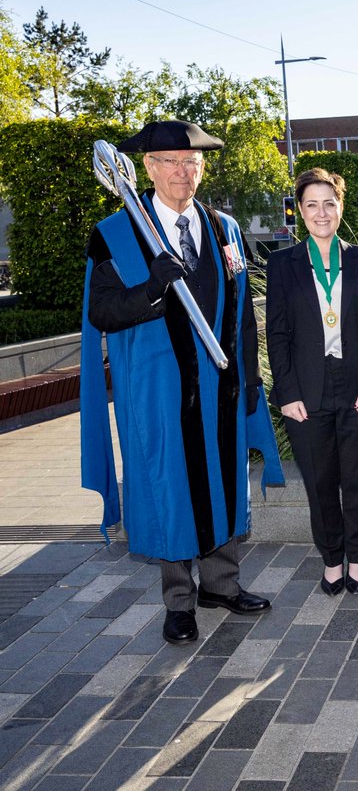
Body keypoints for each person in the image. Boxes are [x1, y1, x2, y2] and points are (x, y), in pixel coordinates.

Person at [80, 119, 283, 645]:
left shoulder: (224, 229)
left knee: (222, 484)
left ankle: (222, 584)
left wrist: (250, 376)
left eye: (191, 162)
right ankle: (178, 601)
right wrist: (152, 287)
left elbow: (241, 312)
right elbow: (102, 311)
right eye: (169, 162)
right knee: (170, 486)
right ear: (146, 168)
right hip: (159, 390)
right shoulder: (117, 233)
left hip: (218, 385)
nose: (181, 172)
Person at [266, 168, 358, 596]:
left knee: (356, 482)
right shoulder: (282, 263)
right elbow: (276, 335)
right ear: (300, 211)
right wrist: (288, 394)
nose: (321, 212)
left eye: (329, 203)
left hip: (357, 388)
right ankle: (332, 560)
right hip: (306, 390)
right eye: (311, 204)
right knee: (320, 484)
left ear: (340, 207)